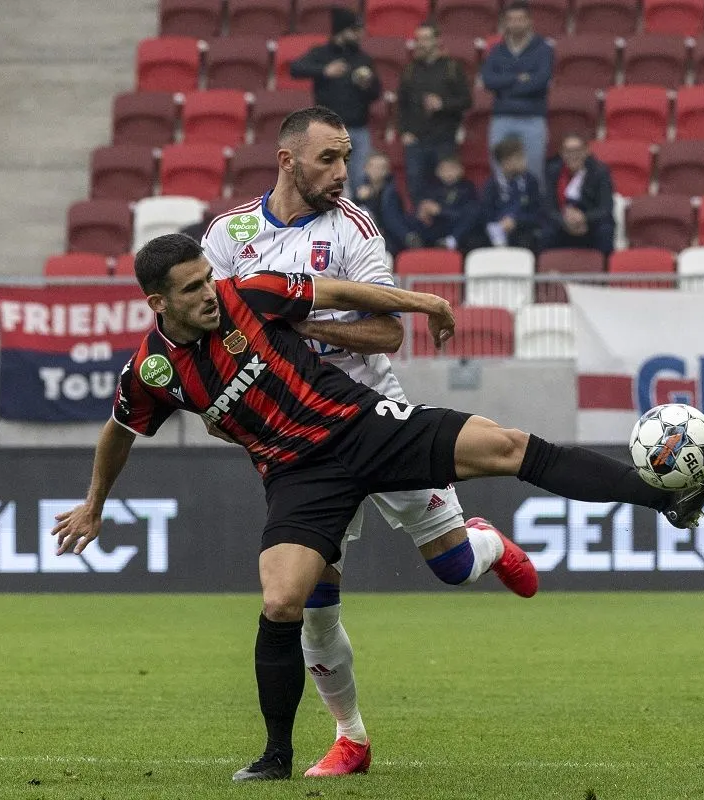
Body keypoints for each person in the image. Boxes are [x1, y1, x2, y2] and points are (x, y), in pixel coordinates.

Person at [50, 232, 704, 782]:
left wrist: (424, 303)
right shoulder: (153, 371)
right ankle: (276, 756)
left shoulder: (248, 293)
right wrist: (93, 505)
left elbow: (335, 289)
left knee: (506, 445)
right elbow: (121, 433)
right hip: (298, 475)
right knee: (282, 603)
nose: (209, 294)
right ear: (156, 303)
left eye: (208, 279)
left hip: (364, 426)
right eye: (192, 289)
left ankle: (666, 499)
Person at [198, 106, 537, 778]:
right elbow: (211, 330)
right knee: (314, 600)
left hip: (371, 417)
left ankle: (487, 542)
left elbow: (386, 334)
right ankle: (350, 737)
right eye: (329, 158)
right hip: (300, 438)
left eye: (347, 157)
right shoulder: (228, 236)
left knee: (451, 568)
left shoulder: (355, 229)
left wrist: (294, 334)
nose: (343, 172)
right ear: (288, 160)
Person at [289, 9, 381, 191]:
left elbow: (376, 93)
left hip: (358, 129)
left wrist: (367, 85)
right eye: (355, 30)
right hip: (329, 130)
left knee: (361, 183)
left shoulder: (362, 58)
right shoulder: (322, 54)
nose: (359, 35)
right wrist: (324, 71)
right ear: (342, 31)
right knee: (331, 182)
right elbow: (295, 68)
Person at [396, 22, 472, 205]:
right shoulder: (410, 69)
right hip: (416, 140)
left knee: (445, 187)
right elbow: (401, 104)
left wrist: (443, 104)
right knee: (416, 186)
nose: (420, 43)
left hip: (444, 140)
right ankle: (420, 229)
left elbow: (467, 101)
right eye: (418, 39)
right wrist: (403, 131)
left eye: (425, 39)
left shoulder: (452, 68)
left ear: (437, 41)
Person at [480, 1, 553, 189]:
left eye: (520, 19)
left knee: (533, 173)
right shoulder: (497, 50)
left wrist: (505, 86)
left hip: (533, 119)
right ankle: (504, 215)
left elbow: (540, 82)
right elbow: (488, 80)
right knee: (500, 172)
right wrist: (518, 78)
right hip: (501, 118)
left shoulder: (544, 49)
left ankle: (532, 217)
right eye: (511, 20)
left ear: (529, 21)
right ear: (505, 22)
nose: (516, 24)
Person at [543, 133, 616, 256]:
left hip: (591, 223)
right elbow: (548, 207)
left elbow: (606, 208)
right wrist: (564, 221)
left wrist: (584, 218)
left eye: (577, 151)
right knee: (546, 232)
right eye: (568, 151)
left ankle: (603, 271)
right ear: (562, 153)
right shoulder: (553, 171)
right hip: (563, 223)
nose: (573, 156)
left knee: (605, 230)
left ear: (586, 151)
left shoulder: (600, 172)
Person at [410, 154, 487, 253]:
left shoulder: (467, 188)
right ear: (437, 172)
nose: (448, 173)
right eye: (444, 170)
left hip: (458, 227)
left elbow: (465, 214)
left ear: (461, 170)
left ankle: (451, 241)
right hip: (437, 226)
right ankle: (412, 239)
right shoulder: (432, 188)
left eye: (452, 169)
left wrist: (441, 211)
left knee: (475, 211)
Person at [481, 136, 546, 252]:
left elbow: (538, 212)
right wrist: (500, 222)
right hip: (497, 229)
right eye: (519, 158)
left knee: (528, 240)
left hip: (523, 229)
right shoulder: (492, 184)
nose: (524, 161)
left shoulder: (530, 181)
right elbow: (486, 213)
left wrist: (517, 222)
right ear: (505, 162)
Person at [352, 152, 412, 255]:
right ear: (366, 168)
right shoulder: (359, 189)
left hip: (388, 240)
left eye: (381, 167)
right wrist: (358, 199)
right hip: (363, 240)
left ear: (387, 171)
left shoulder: (391, 192)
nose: (377, 171)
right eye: (373, 166)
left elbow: (392, 219)